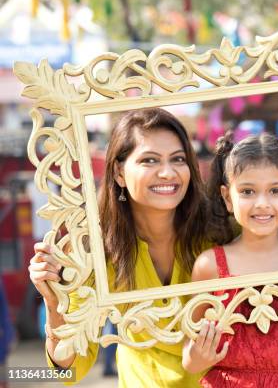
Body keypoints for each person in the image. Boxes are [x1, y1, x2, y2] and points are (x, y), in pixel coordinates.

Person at [28, 108, 211, 387]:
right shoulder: (95, 253)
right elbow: (68, 369)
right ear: (119, 173)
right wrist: (54, 304)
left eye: (178, 159)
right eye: (150, 160)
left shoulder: (221, 233)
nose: (168, 172)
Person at [182, 133, 278, 388]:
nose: (262, 203)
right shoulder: (210, 266)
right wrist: (198, 356)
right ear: (228, 197)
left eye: (275, 191)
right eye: (248, 191)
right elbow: (190, 357)